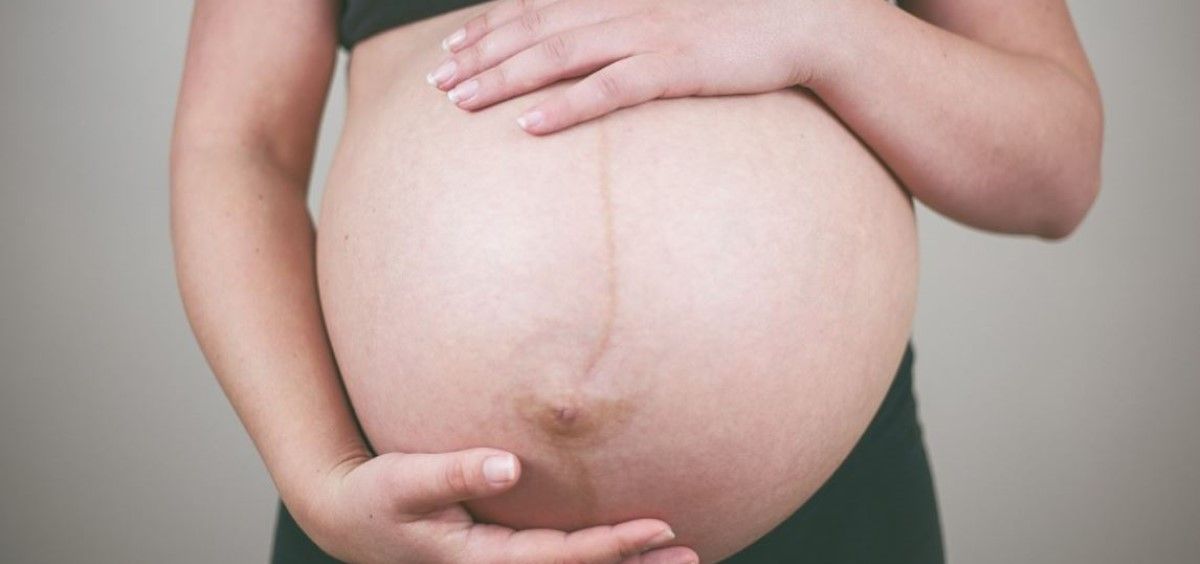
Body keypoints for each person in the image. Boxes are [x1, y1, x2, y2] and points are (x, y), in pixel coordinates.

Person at [169, 0, 1102, 562]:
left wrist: (823, 27)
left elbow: (1057, 171)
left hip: (820, 516)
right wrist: (322, 479)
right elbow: (236, 147)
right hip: (406, 529)